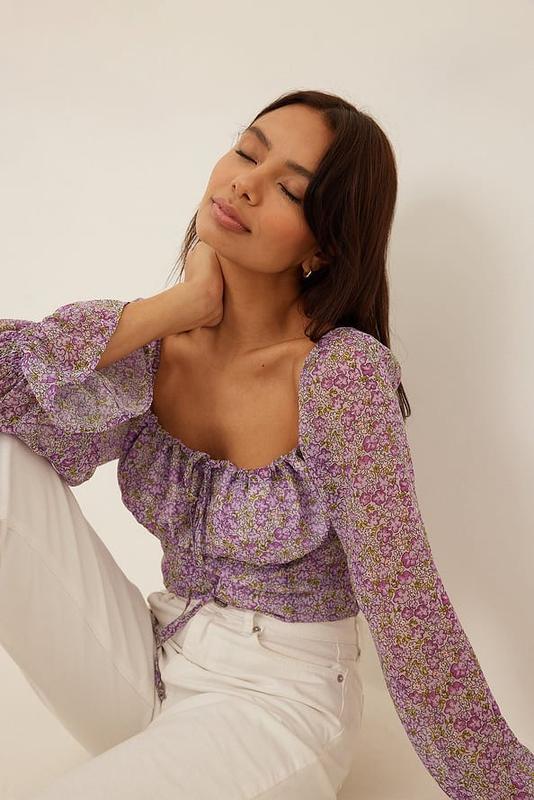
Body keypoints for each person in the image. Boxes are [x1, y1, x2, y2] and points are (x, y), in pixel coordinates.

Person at [0, 89, 532, 800]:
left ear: (325, 244)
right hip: (150, 657)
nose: (245, 184)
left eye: (288, 189)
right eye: (247, 152)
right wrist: (171, 309)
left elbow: (408, 608)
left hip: (278, 702)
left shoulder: (339, 376)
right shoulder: (155, 350)